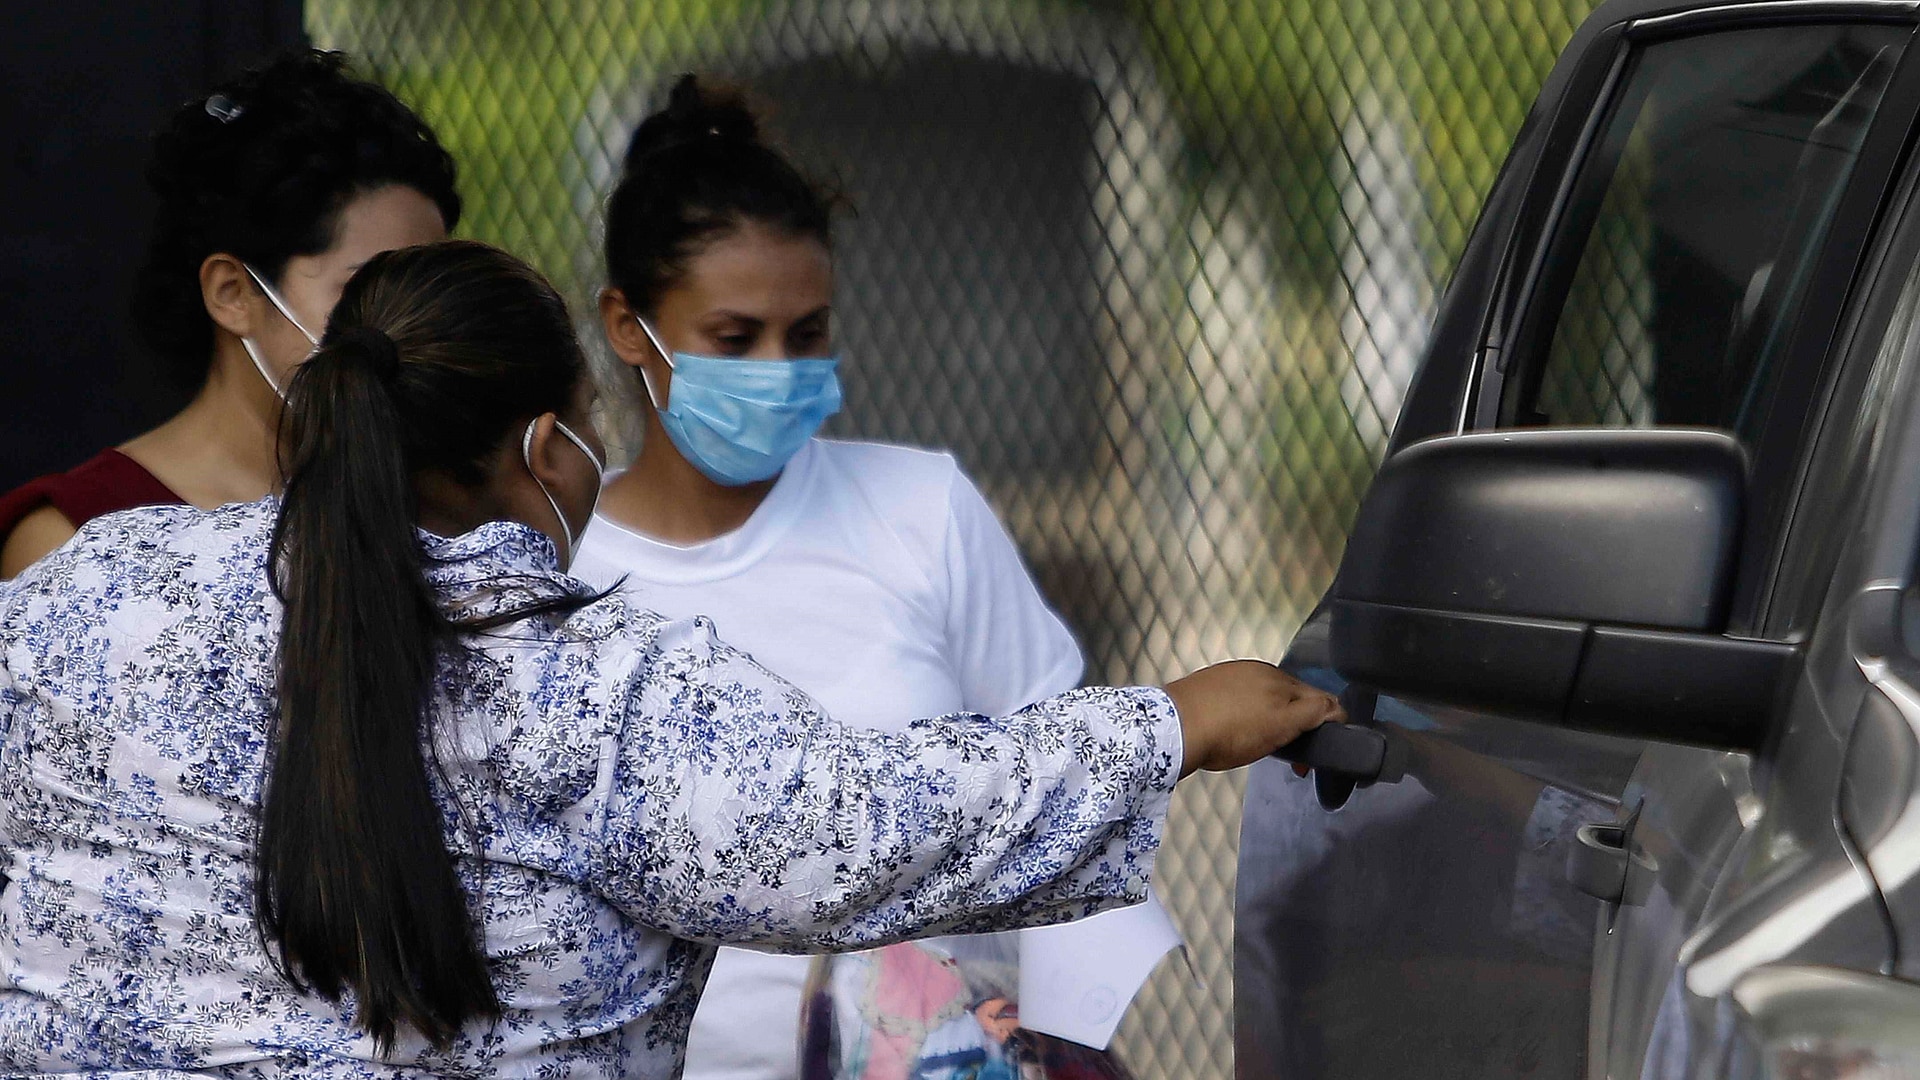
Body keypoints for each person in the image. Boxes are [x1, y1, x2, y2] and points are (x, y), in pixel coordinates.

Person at [0, 239, 1340, 1076]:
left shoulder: (96, 581)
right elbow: (849, 832)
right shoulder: (596, 684)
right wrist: (1168, 724)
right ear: (544, 449)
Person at [575, 76, 1168, 1080]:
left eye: (806, 334)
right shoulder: (562, 569)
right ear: (630, 327)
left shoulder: (918, 512)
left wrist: (1064, 1042)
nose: (778, 367)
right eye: (735, 339)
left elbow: (1074, 784)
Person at [0, 48, 456, 578]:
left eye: (433, 291)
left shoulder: (445, 507)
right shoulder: (74, 538)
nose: (418, 324)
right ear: (232, 292)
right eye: (369, 288)